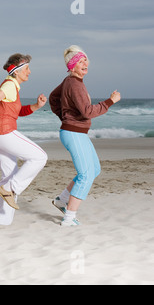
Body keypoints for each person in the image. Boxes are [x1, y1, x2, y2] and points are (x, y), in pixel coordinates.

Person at [49, 45, 121, 226]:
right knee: (86, 175)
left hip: (76, 132)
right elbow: (87, 111)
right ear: (72, 66)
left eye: (85, 60)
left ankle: (61, 200)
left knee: (94, 170)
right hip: (73, 133)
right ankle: (69, 218)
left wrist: (66, 116)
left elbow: (53, 98)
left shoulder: (70, 81)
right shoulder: (74, 83)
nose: (84, 63)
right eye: (80, 61)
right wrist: (110, 101)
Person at [0, 53, 48, 226]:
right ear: (16, 71)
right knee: (40, 157)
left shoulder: (13, 87)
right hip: (3, 133)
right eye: (27, 68)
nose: (29, 72)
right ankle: (10, 189)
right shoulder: (10, 85)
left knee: (9, 175)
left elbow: (17, 112)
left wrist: (36, 106)